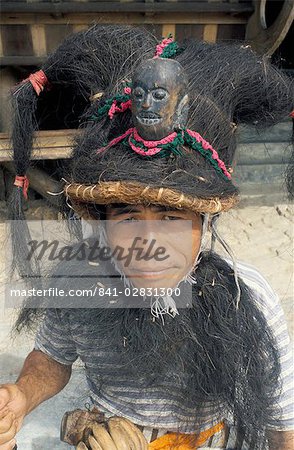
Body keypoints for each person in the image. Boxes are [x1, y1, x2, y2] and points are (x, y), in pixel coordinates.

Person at [0, 25, 293, 449]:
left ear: (205, 222)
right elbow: (52, 358)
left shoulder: (246, 296)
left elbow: (280, 419)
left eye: (172, 216)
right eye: (128, 216)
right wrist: (22, 396)